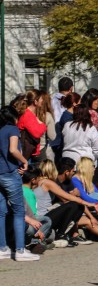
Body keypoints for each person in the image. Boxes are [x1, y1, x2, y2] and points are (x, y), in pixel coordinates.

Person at [0, 105, 40, 261]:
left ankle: (2, 248)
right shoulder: (12, 129)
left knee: (1, 212)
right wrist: (24, 162)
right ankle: (20, 250)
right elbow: (13, 150)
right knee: (18, 211)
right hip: (10, 174)